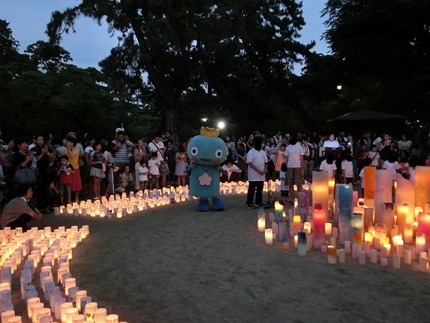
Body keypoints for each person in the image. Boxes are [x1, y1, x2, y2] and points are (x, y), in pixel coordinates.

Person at [245, 136, 267, 208]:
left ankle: (259, 201)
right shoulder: (251, 152)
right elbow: (250, 163)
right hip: (253, 174)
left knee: (260, 189)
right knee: (252, 188)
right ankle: (249, 202)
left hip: (261, 174)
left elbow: (266, 162)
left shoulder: (263, 152)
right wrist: (258, 170)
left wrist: (264, 170)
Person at [284, 135, 304, 204]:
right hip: (290, 167)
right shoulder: (288, 148)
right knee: (290, 184)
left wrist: (302, 169)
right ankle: (293, 199)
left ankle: (301, 199)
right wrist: (286, 167)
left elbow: (301, 158)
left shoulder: (299, 147)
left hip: (298, 166)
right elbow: (286, 158)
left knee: (299, 184)